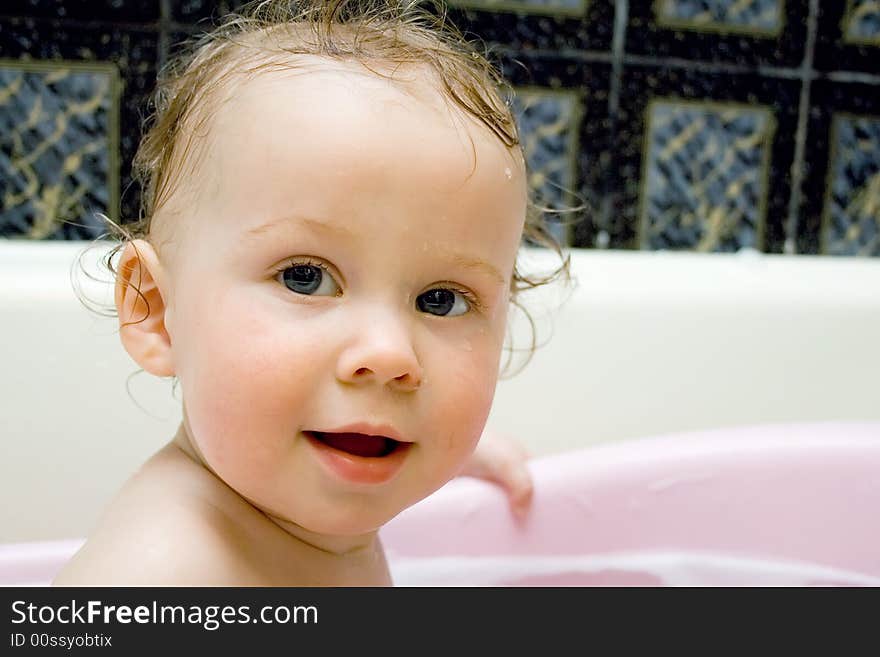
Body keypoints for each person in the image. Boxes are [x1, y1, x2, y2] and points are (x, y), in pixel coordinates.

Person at [54, 0, 568, 586]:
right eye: (306, 277)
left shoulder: (285, 507)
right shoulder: (164, 576)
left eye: (441, 300)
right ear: (158, 313)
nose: (389, 355)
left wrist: (451, 449)